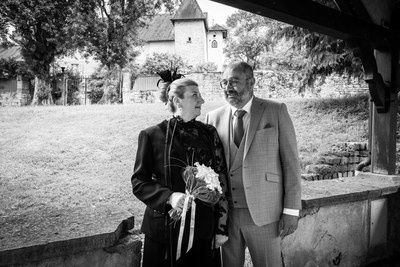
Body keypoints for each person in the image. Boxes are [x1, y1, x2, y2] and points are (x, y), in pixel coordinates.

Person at [205, 62, 301, 267]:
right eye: (224, 82)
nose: (227, 87)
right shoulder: (212, 118)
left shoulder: (275, 111)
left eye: (234, 81)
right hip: (226, 217)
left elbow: (291, 163)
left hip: (265, 214)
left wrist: (291, 210)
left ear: (251, 82)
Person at [131, 76, 229, 267]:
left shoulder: (209, 134)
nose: (201, 100)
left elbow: (221, 177)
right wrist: (169, 197)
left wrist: (222, 227)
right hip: (163, 231)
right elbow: (139, 182)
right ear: (177, 101)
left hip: (202, 230)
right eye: (195, 95)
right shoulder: (151, 135)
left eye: (200, 95)